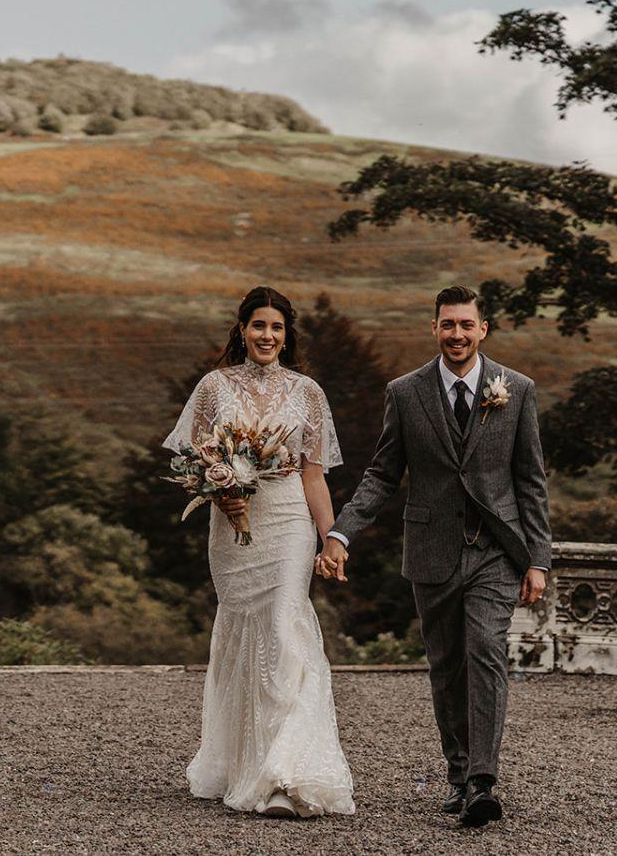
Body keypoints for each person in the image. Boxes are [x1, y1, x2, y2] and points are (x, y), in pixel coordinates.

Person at [321, 285, 551, 828]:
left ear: (483, 329)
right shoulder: (405, 393)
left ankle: (482, 781)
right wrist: (340, 533)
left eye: (466, 325)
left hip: (498, 550)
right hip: (431, 551)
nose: (457, 335)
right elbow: (382, 474)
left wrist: (538, 558)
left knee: (487, 651)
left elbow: (531, 480)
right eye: (447, 325)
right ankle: (458, 773)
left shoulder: (516, 390)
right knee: (447, 668)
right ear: (434, 329)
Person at [163, 286, 355, 819]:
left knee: (283, 625)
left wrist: (330, 537)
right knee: (244, 629)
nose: (267, 335)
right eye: (258, 326)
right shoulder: (213, 388)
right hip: (231, 527)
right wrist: (217, 489)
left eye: (276, 327)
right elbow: (193, 460)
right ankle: (242, 763)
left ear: (287, 334)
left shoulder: (308, 392)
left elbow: (314, 474)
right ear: (242, 329)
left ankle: (285, 773)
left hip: (290, 519)